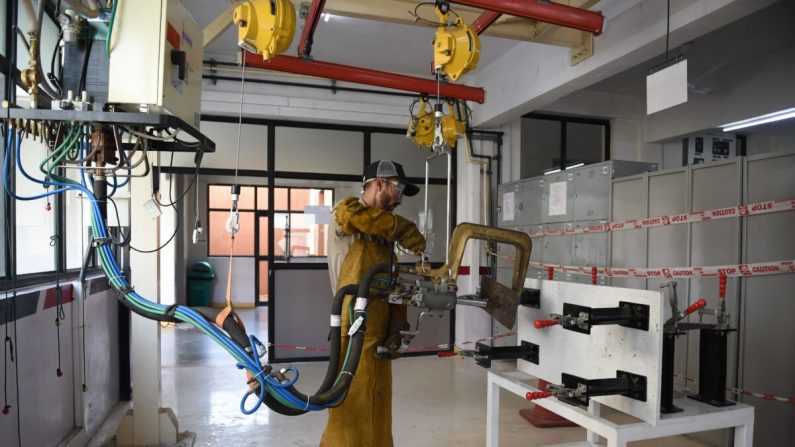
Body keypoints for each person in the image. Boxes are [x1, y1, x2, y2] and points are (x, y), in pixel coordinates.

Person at [321, 160, 426, 446]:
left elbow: (391, 280)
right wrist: (403, 229)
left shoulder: (384, 238)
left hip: (379, 330)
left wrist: (398, 320)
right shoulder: (347, 212)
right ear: (379, 184)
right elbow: (355, 216)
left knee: (379, 400)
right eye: (398, 188)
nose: (400, 197)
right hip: (351, 326)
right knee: (351, 403)